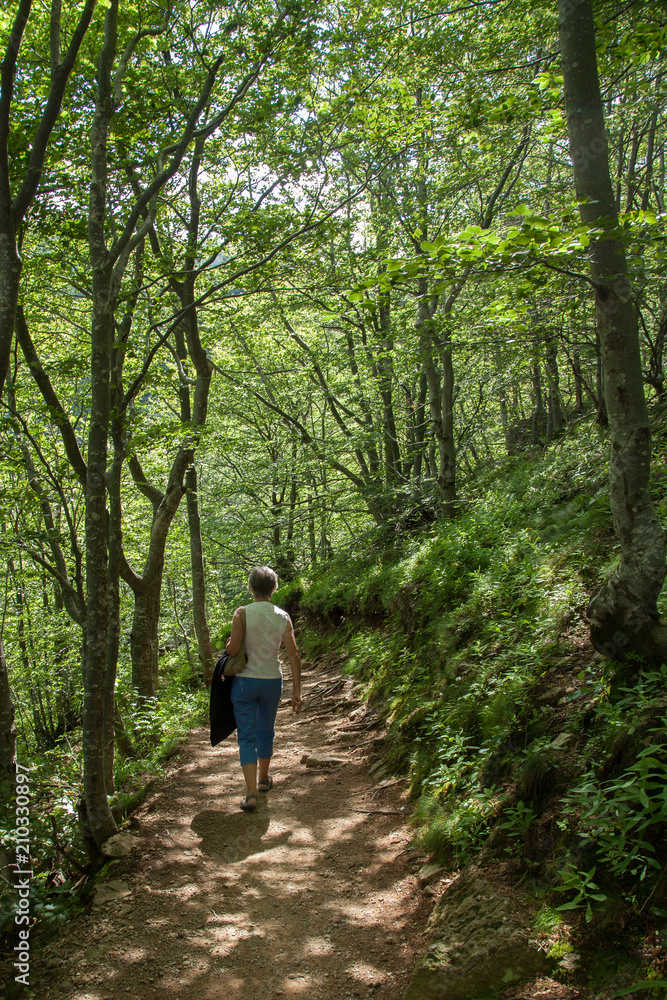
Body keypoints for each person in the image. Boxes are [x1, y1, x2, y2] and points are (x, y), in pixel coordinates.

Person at [225, 565, 303, 812]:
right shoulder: (283, 616)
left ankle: (250, 795)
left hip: (245, 682)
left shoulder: (241, 613)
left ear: (250, 588)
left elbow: (234, 650)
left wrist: (229, 644)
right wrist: (297, 691)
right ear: (274, 588)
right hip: (272, 681)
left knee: (246, 735)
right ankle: (263, 780)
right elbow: (294, 654)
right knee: (266, 730)